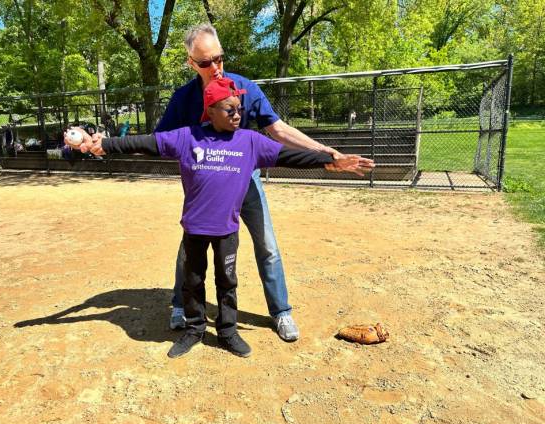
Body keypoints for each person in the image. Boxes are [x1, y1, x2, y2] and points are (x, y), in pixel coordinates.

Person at [65, 78, 374, 358]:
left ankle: (227, 332)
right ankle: (194, 330)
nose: (237, 115)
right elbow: (144, 143)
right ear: (210, 110)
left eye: (239, 108)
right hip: (196, 230)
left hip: (227, 231)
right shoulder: (187, 137)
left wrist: (329, 161)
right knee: (193, 281)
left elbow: (288, 155)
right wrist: (103, 143)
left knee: (227, 283)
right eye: (229, 109)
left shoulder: (250, 141)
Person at [156, 24, 375, 341]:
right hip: (207, 192)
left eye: (219, 58)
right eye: (205, 62)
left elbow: (278, 130)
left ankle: (281, 312)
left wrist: (328, 153)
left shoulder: (244, 87)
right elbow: (161, 140)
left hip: (246, 182)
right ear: (191, 63)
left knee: (267, 245)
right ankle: (181, 304)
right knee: (190, 247)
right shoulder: (184, 99)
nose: (215, 67)